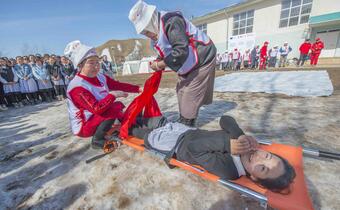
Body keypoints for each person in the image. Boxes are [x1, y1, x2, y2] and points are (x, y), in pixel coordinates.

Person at [126, 115, 296, 192]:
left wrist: (227, 145)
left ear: (254, 178)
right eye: (267, 156)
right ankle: (132, 117)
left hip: (176, 144)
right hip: (187, 130)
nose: (260, 158)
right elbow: (225, 119)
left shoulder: (229, 169)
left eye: (263, 169)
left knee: (144, 134)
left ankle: (125, 127)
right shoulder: (244, 145)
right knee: (154, 120)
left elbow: (194, 148)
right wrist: (239, 134)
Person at [129, 0, 217, 127]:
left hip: (202, 57)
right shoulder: (157, 32)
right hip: (188, 62)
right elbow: (166, 49)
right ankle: (186, 118)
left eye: (146, 30)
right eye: (143, 33)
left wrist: (159, 65)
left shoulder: (171, 21)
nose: (147, 35)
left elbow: (180, 50)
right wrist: (159, 59)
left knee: (190, 92)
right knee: (181, 90)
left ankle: (187, 123)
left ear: (152, 21)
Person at [64, 40, 141, 147]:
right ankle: (97, 140)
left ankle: (128, 124)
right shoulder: (77, 86)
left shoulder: (100, 77)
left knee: (115, 107)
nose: (96, 66)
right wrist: (113, 95)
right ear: (80, 65)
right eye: (91, 63)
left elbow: (118, 85)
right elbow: (97, 108)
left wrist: (138, 89)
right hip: (84, 126)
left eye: (97, 62)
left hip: (96, 118)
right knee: (114, 108)